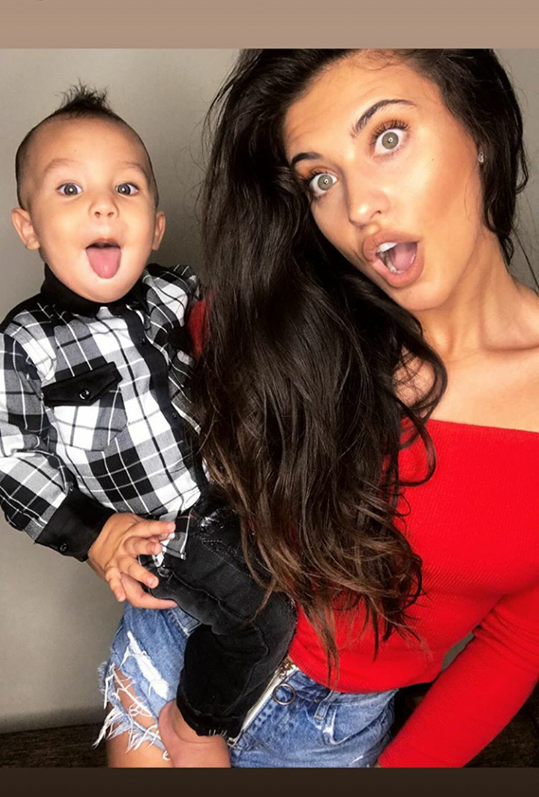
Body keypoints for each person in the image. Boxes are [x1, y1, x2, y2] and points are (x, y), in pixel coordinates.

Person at [101, 48, 539, 768]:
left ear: (480, 129)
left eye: (388, 137)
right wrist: (97, 533)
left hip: (333, 729)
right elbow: (119, 389)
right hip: (183, 646)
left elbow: (518, 640)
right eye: (320, 178)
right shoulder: (290, 325)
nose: (357, 206)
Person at [0, 84, 295, 768]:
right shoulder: (25, 342)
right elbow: (11, 459)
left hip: (239, 498)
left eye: (126, 188)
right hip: (157, 533)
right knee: (262, 619)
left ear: (155, 228)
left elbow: (247, 350)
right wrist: (95, 534)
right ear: (28, 227)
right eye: (69, 189)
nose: (103, 204)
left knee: (318, 573)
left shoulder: (178, 293)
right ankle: (197, 721)